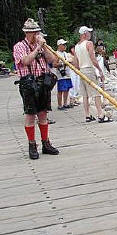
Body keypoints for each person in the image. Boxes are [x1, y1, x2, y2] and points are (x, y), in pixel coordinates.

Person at [13, 18, 59, 160]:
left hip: (43, 82)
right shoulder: (19, 46)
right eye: (33, 32)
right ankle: (32, 145)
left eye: (37, 32)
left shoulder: (42, 45)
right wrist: (37, 48)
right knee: (30, 115)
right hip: (28, 83)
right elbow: (25, 61)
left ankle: (46, 143)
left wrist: (44, 47)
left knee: (43, 114)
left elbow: (52, 60)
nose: (36, 34)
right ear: (27, 33)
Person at [74, 26, 111, 123]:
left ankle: (87, 115)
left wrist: (78, 70)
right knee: (96, 92)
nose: (90, 34)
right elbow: (93, 58)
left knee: (85, 95)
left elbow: (75, 62)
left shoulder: (76, 46)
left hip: (81, 71)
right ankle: (100, 115)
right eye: (89, 32)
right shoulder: (89, 44)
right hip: (89, 69)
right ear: (85, 33)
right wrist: (99, 70)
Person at [54, 39, 73, 110]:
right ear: (59, 46)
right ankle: (59, 105)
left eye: (65, 44)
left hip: (67, 74)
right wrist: (63, 63)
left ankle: (65, 103)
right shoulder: (56, 54)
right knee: (61, 90)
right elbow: (54, 64)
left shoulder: (65, 53)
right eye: (63, 45)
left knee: (67, 89)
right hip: (61, 75)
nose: (65, 46)